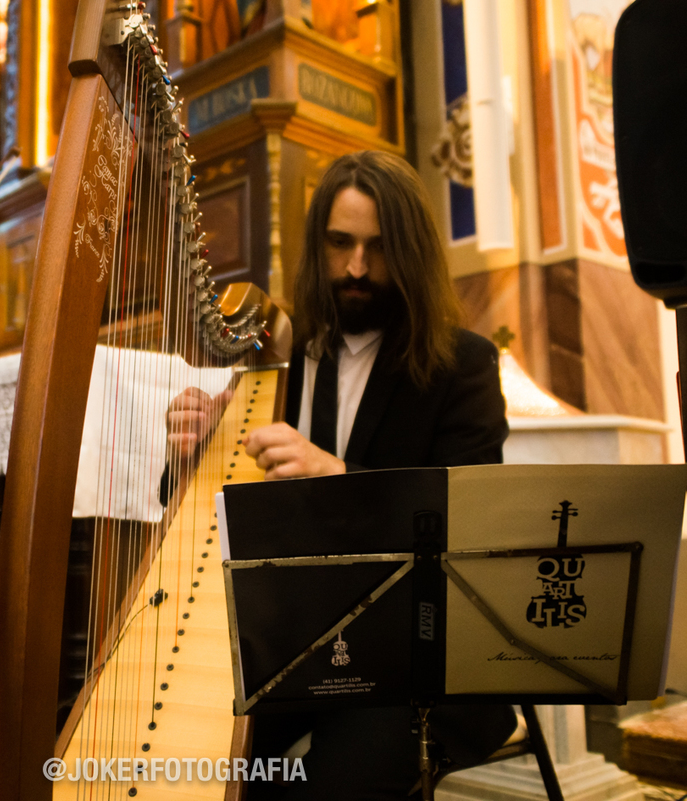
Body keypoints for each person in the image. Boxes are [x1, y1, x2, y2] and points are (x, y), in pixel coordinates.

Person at [168, 151, 515, 800]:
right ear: (316, 246)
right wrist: (190, 455)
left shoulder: (462, 365)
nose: (357, 268)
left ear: (410, 252)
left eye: (378, 249)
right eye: (340, 243)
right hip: (297, 643)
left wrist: (337, 474)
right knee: (200, 759)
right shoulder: (280, 357)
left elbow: (473, 521)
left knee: (335, 784)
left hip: (412, 651)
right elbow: (205, 513)